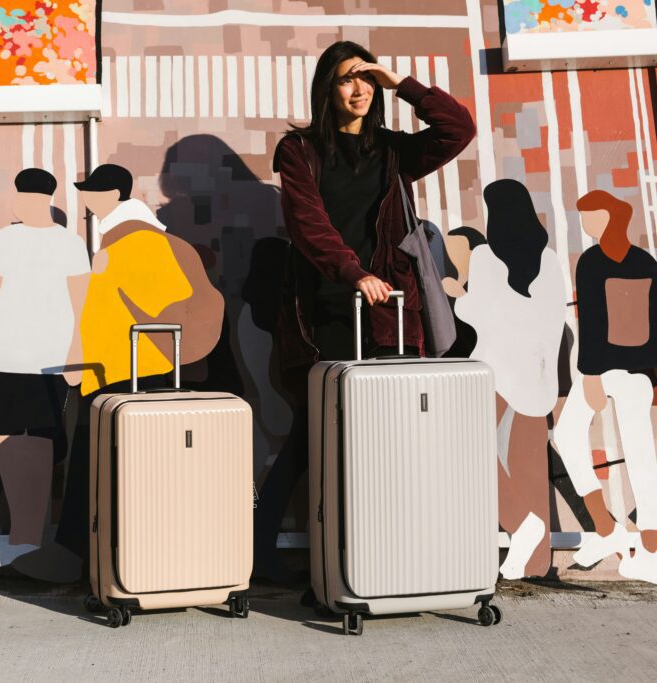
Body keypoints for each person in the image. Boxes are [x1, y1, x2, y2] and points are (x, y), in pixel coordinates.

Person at [261, 40, 475, 581]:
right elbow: (308, 225)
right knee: (317, 435)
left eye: (365, 79)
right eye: (345, 79)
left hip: (388, 314)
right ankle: (275, 554)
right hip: (326, 311)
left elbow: (459, 129)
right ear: (325, 90)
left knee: (388, 437)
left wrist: (400, 83)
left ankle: (383, 555)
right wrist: (353, 273)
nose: (358, 89)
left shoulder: (393, 151)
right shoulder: (299, 150)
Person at [11, 163, 224, 582]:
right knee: (110, 462)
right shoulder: (129, 240)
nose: (86, 202)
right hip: (128, 369)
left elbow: (129, 312)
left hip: (129, 372)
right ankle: (95, 554)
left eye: (92, 193)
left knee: (104, 461)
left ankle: (78, 554)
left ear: (112, 196)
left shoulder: (134, 243)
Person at [0, 169, 90, 568]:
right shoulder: (4, 240)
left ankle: (31, 537)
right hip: (6, 360)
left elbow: (81, 304)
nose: (17, 204)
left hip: (52, 362)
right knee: (8, 439)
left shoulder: (70, 244)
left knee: (43, 442)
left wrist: (76, 356)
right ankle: (22, 535)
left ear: (33, 200)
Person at [453, 179, 567, 579]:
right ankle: (536, 562)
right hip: (535, 379)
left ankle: (520, 522)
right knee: (530, 464)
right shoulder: (550, 261)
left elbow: (478, 313)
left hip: (494, 373)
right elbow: (552, 318)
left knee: (470, 452)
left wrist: (456, 293)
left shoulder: (485, 258)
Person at [553, 190, 657, 581]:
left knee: (639, 454)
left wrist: (591, 374)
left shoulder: (595, 262)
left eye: (591, 216)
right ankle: (607, 528)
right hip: (633, 372)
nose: (586, 224)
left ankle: (648, 547)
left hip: (613, 370)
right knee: (573, 436)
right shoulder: (644, 261)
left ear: (610, 216)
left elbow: (593, 321)